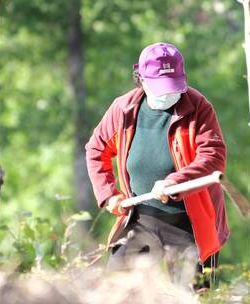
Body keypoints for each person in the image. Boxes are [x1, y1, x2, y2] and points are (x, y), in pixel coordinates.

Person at [85, 42, 229, 290]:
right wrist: (109, 195)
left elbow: (213, 155)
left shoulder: (199, 107)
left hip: (189, 223)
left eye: (173, 86)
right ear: (141, 79)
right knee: (115, 288)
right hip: (140, 218)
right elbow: (96, 150)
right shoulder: (123, 109)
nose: (168, 94)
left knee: (193, 293)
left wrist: (176, 182)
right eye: (161, 87)